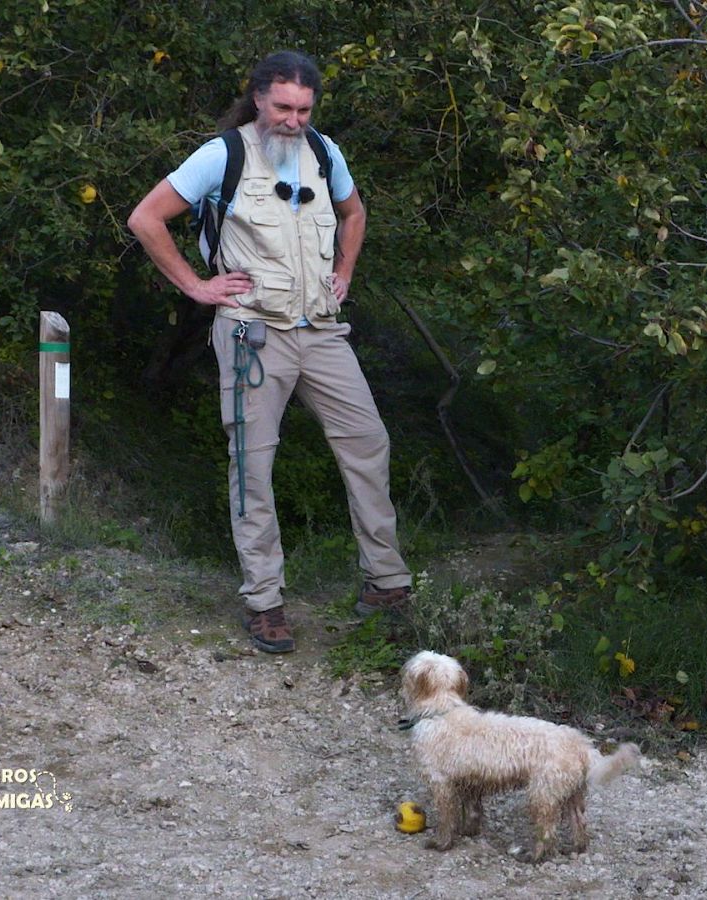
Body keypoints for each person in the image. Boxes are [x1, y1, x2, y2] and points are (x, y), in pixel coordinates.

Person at [127, 50, 411, 654]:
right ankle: (265, 602)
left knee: (368, 443)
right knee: (253, 466)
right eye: (283, 106)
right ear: (258, 98)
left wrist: (345, 269)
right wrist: (197, 287)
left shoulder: (325, 152)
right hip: (252, 333)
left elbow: (354, 212)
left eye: (304, 109)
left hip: (323, 331)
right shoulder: (222, 155)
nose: (294, 119)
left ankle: (386, 583)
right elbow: (146, 218)